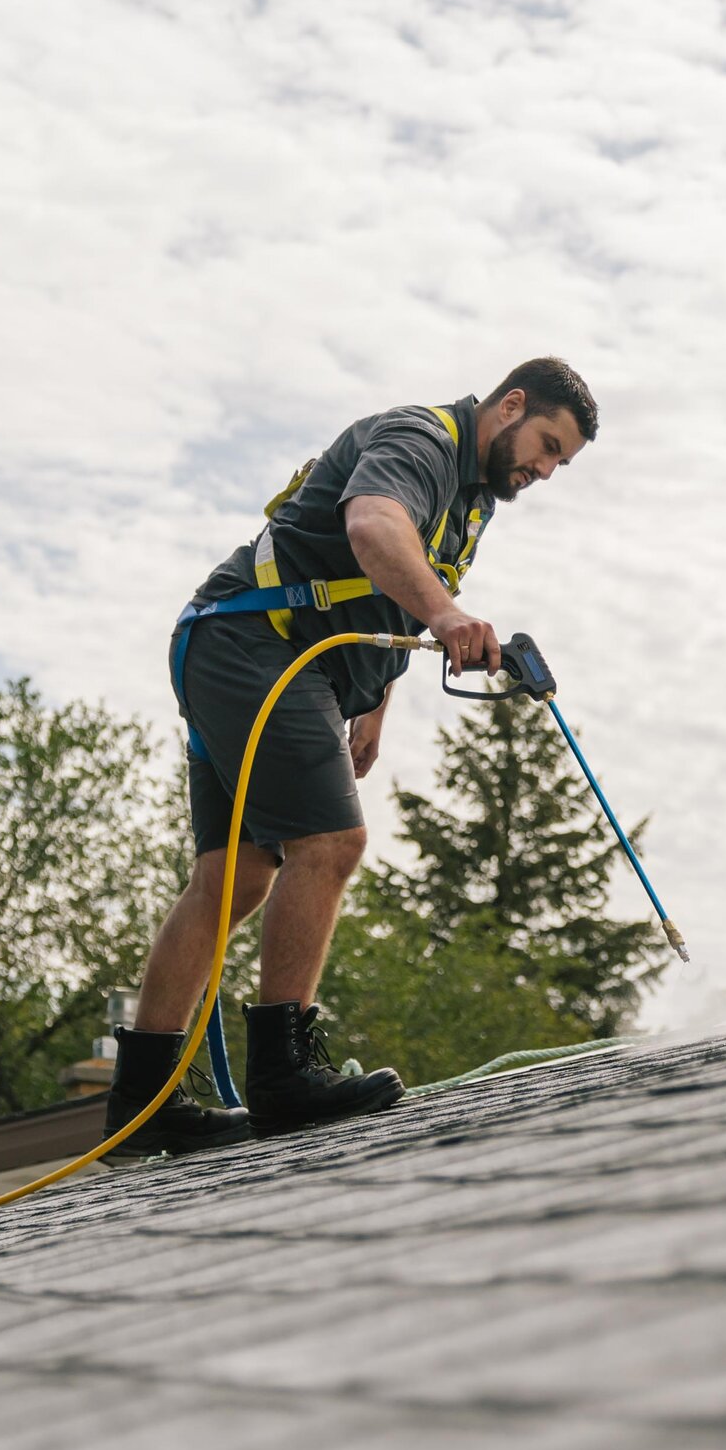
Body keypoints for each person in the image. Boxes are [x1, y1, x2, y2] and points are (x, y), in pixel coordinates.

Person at [105, 357, 597, 1151]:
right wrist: (447, 613)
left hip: (241, 648)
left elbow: (394, 585)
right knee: (331, 843)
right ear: (509, 405)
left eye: (559, 463)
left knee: (234, 875)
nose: (544, 469)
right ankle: (282, 1077)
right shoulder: (421, 442)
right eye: (545, 445)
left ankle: (139, 1104)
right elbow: (373, 527)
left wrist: (374, 704)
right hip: (254, 642)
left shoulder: (473, 499)